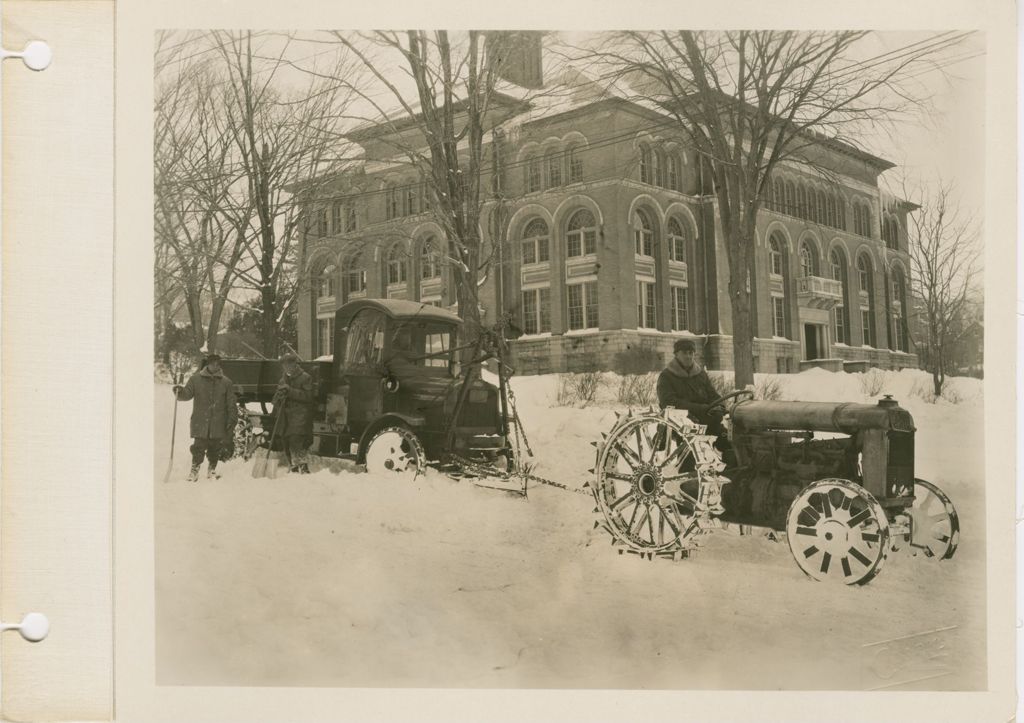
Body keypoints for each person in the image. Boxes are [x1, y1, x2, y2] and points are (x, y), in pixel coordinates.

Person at [174, 353, 238, 481]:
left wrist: (232, 418)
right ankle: (194, 470)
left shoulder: (226, 382)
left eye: (218, 363)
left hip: (218, 421)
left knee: (215, 447)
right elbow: (187, 395)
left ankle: (212, 470)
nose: (215, 366)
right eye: (213, 363)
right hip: (201, 420)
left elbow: (231, 403)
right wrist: (179, 392)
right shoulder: (195, 379)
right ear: (207, 364)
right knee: (198, 446)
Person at [656, 339, 725, 436]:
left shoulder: (700, 374)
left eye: (691, 353)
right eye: (684, 353)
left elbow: (712, 394)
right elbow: (668, 402)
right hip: (679, 422)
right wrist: (700, 408)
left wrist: (720, 405)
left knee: (728, 439)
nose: (688, 356)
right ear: (676, 354)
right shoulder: (666, 376)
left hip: (704, 418)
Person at [275, 352, 314, 474]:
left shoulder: (305, 377)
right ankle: (293, 467)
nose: (285, 368)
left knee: (296, 440)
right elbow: (277, 399)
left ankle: (303, 467)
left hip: (299, 415)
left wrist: (290, 391)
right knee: (285, 441)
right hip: (285, 416)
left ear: (294, 364)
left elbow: (308, 397)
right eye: (284, 366)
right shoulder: (283, 379)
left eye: (288, 365)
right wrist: (279, 396)